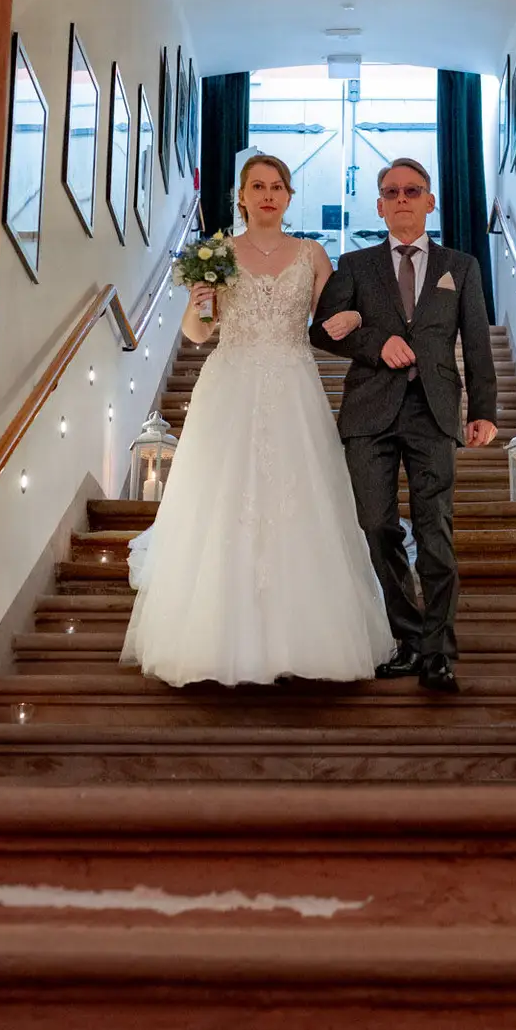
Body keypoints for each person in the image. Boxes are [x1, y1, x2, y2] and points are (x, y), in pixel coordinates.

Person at [122, 154, 395, 686]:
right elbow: (199, 335)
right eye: (257, 186)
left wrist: (354, 317)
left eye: (277, 186)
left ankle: (307, 640)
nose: (268, 194)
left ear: (289, 197)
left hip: (294, 386)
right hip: (231, 385)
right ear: (241, 196)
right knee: (224, 501)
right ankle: (215, 640)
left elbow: (330, 320)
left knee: (301, 501)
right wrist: (200, 303)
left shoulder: (312, 254)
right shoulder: (217, 252)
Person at [308, 158, 497, 693]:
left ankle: (438, 652)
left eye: (412, 191)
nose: (402, 199)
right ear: (379, 206)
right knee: (377, 526)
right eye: (391, 192)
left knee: (435, 531)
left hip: (434, 413)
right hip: (369, 414)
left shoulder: (460, 267)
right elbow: (321, 332)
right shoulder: (356, 264)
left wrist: (484, 410)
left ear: (430, 202)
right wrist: (373, 342)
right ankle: (407, 639)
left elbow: (478, 345)